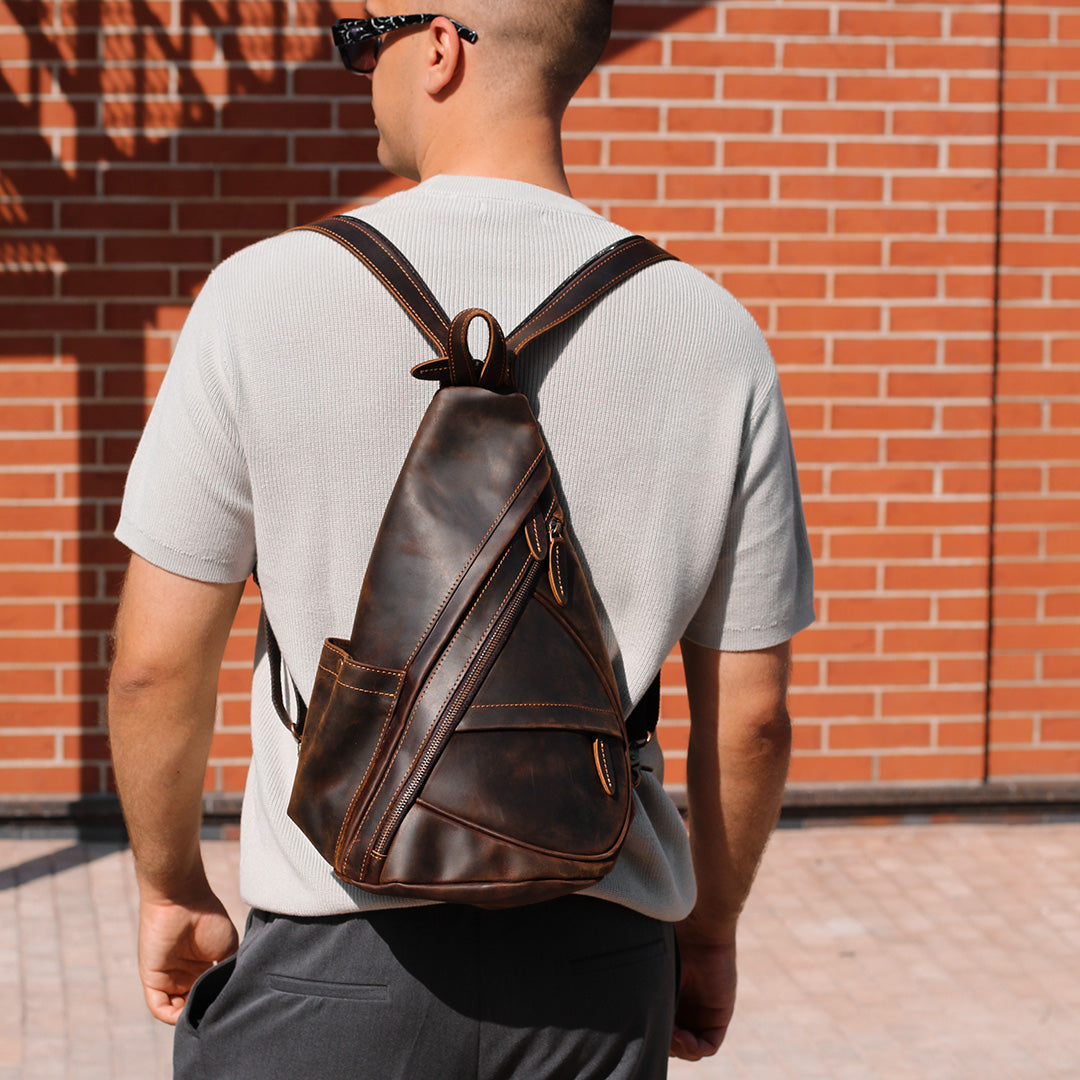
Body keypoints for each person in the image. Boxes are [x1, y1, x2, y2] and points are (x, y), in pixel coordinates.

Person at [107, 1, 814, 1077]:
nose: (356, 71)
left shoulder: (260, 297)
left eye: (360, 38)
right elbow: (752, 721)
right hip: (600, 969)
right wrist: (709, 928)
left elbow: (158, 667)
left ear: (439, 47)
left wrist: (168, 886)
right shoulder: (712, 331)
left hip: (332, 953)